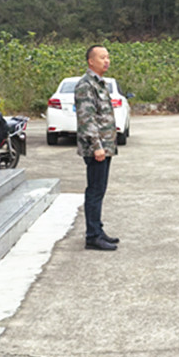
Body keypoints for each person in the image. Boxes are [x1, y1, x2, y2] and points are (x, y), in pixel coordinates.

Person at [75, 45, 120, 251]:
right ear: (91, 61)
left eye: (108, 57)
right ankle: (92, 236)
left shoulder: (100, 83)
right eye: (102, 57)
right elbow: (87, 119)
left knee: (99, 190)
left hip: (105, 146)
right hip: (97, 148)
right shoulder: (86, 85)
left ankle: (98, 230)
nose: (106, 61)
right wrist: (96, 146)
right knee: (94, 191)